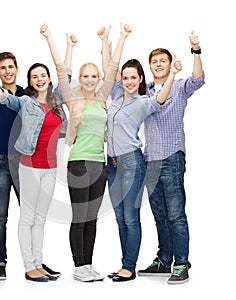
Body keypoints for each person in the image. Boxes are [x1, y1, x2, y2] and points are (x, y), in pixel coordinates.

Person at [0, 26, 71, 281]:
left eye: (11, 67)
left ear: (17, 70)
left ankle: (35, 261)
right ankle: (0, 261)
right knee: (0, 213)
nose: (7, 71)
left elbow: (53, 89)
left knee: (32, 213)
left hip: (26, 162)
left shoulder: (27, 95)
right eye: (3, 68)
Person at [41, 22, 131, 282]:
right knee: (79, 215)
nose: (91, 79)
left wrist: (121, 37)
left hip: (99, 163)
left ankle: (88, 265)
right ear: (80, 79)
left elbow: (113, 70)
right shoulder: (73, 97)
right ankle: (79, 266)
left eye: (94, 75)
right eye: (86, 76)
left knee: (91, 217)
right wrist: (52, 38)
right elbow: (60, 71)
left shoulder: (103, 96)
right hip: (78, 163)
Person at [99, 28, 182, 282]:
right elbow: (108, 68)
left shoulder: (144, 101)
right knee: (119, 218)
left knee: (130, 217)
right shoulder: (113, 94)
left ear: (140, 79)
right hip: (111, 164)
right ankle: (124, 263)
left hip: (132, 162)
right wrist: (108, 41)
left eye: (134, 78)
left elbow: (161, 99)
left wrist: (174, 74)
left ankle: (129, 267)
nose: (129, 81)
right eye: (126, 77)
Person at [137, 30, 205, 284]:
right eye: (154, 61)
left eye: (162, 61)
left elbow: (198, 79)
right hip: (150, 160)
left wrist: (195, 50)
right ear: (150, 66)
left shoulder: (178, 86)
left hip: (172, 157)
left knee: (176, 213)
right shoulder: (145, 91)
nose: (158, 64)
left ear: (169, 64)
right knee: (159, 214)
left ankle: (181, 263)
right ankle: (164, 260)